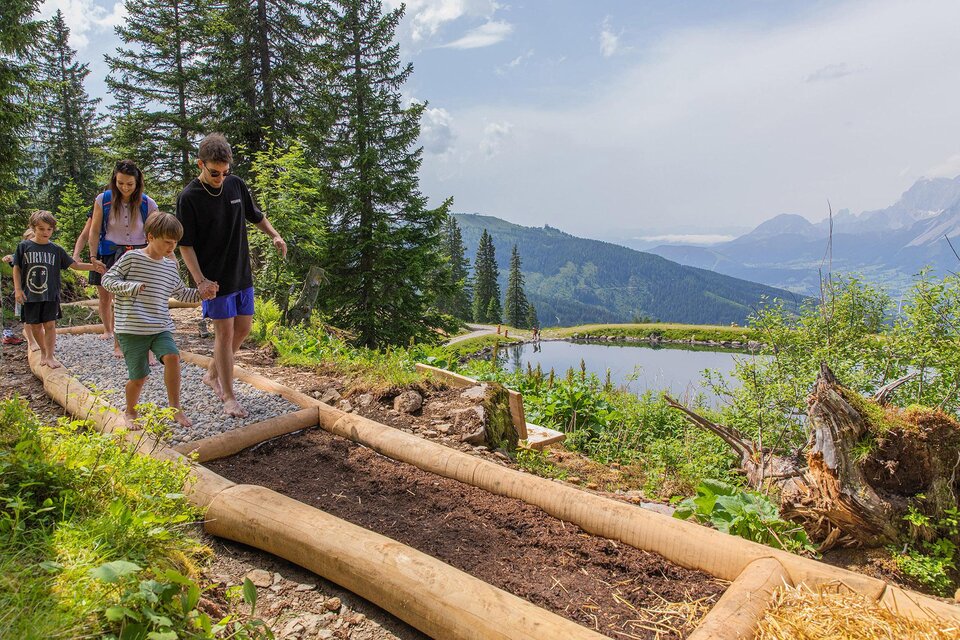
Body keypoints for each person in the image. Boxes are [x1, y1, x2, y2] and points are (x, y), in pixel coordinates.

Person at [176, 133, 286, 418]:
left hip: (241, 272)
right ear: (200, 164)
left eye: (225, 172)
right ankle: (228, 396)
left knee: (243, 329)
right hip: (213, 279)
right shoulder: (189, 198)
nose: (220, 178)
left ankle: (213, 374)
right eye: (214, 173)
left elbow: (256, 215)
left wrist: (275, 235)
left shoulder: (236, 185)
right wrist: (200, 281)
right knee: (223, 335)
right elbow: (185, 245)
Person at [102, 212, 204, 429]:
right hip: (131, 328)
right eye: (167, 242)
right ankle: (130, 411)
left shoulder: (169, 267)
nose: (171, 247)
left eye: (175, 243)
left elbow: (181, 293)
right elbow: (107, 279)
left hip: (160, 327)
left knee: (173, 357)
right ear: (150, 237)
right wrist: (130, 287)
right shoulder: (132, 258)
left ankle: (175, 409)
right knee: (139, 378)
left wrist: (203, 294)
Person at [12, 211, 105, 368]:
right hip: (30, 295)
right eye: (41, 229)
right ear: (33, 228)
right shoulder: (24, 246)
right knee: (35, 326)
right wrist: (18, 289)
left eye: (49, 229)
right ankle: (42, 351)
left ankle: (49, 355)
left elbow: (74, 265)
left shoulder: (56, 249)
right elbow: (17, 268)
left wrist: (94, 267)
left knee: (50, 325)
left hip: (50, 294)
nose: (45, 232)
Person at [88, 160, 160, 357]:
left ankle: (147, 347)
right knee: (115, 299)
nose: (125, 188)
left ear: (137, 183)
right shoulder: (103, 200)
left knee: (143, 300)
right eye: (120, 183)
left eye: (129, 184)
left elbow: (159, 233)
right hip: (111, 253)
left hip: (140, 253)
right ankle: (117, 342)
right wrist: (93, 256)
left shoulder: (148, 203)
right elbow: (94, 231)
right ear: (114, 180)